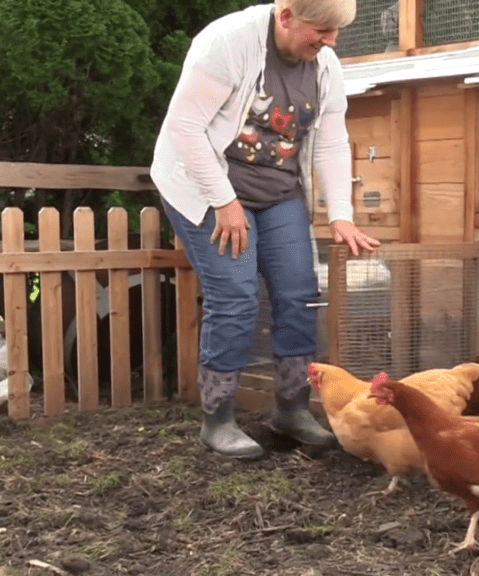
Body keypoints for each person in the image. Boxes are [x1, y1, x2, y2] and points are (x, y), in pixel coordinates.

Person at [150, 0, 379, 459]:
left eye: (336, 32)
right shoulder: (227, 43)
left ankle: (291, 411)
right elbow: (186, 127)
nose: (331, 42)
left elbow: (333, 141)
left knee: (298, 292)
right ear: (287, 16)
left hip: (278, 192)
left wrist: (341, 213)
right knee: (235, 296)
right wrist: (224, 201)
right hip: (204, 185)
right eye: (323, 30)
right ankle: (217, 421)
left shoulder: (324, 66)